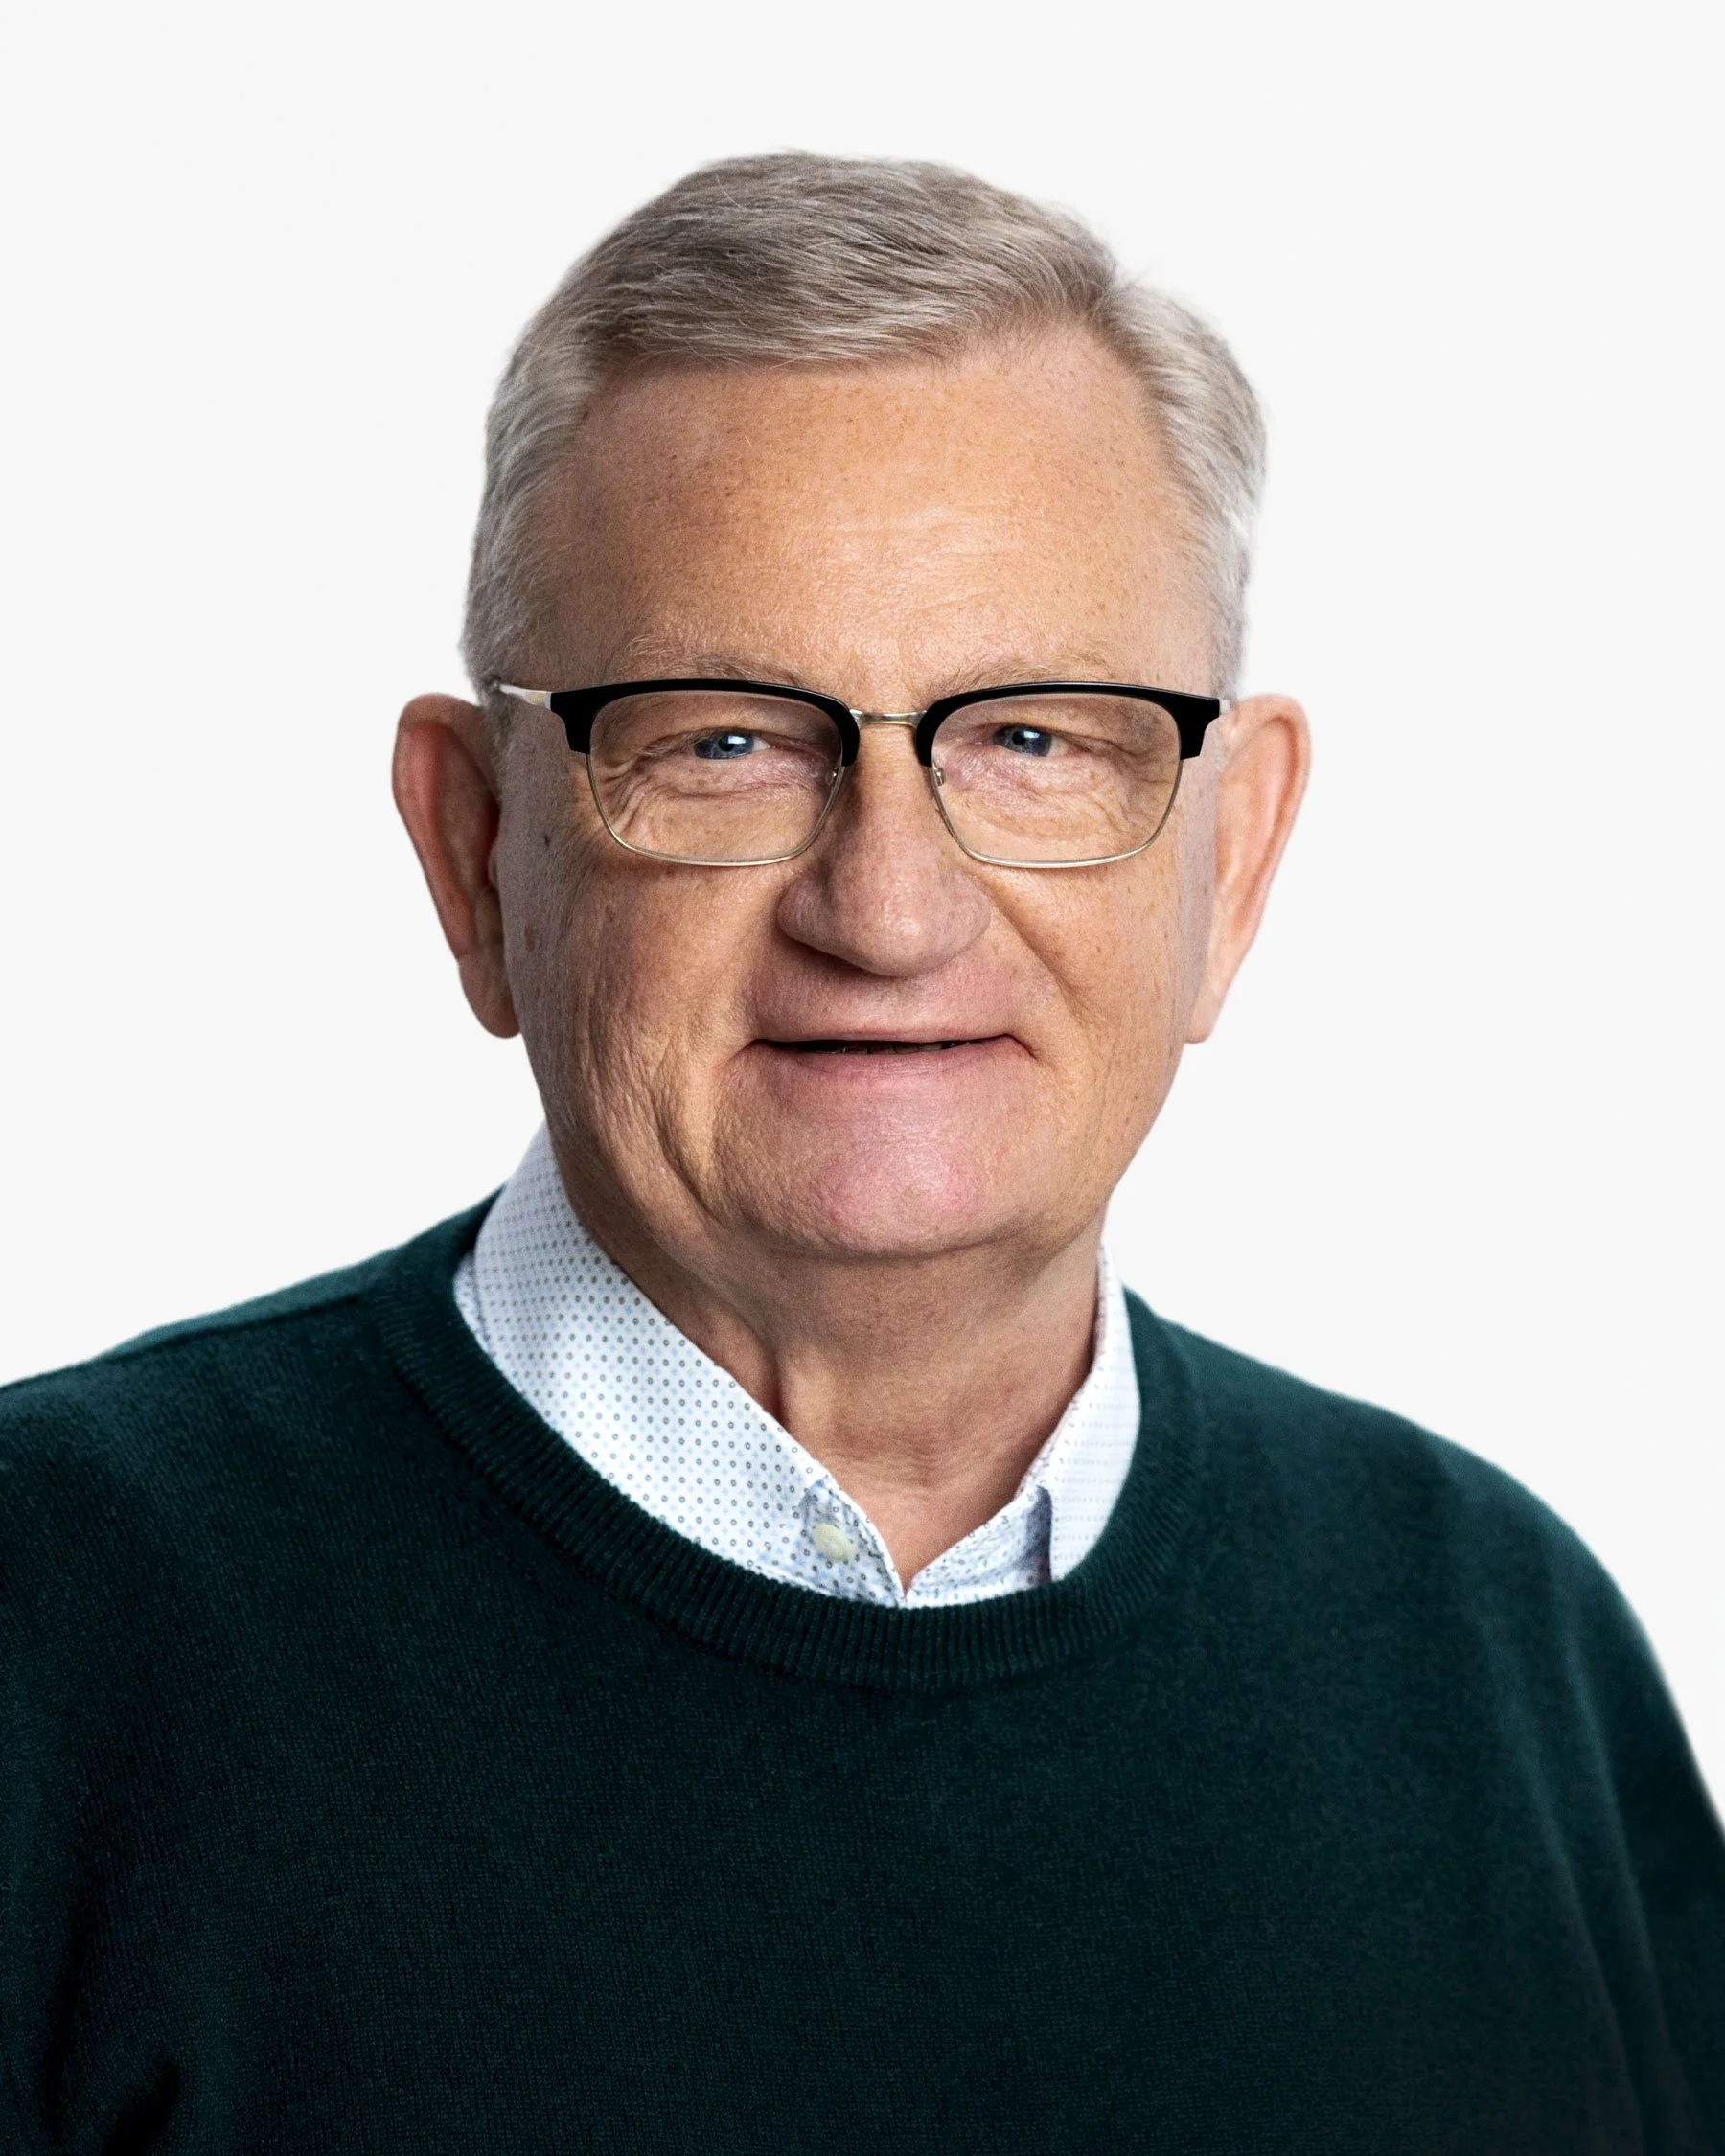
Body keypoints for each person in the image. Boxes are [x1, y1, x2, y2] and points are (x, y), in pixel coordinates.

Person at [1, 153, 1719, 2154]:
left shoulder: (1500, 1660)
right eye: (725, 738)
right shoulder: (54, 1641)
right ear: (480, 853)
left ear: (1231, 864)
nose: (890, 907)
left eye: (1040, 739)